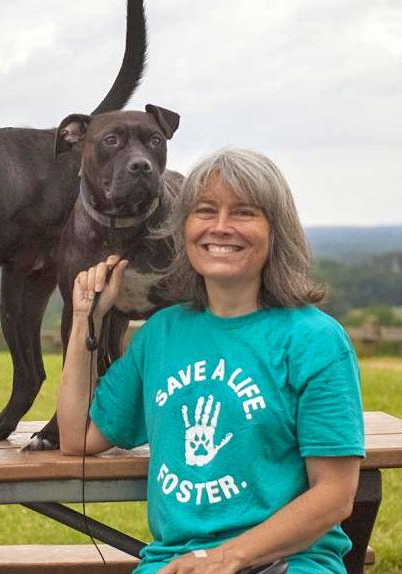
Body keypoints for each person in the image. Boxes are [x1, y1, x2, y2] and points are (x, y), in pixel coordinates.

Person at [57, 148, 364, 574]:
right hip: (176, 565)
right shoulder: (162, 334)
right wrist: (83, 321)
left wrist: (227, 557)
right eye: (205, 211)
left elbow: (335, 494)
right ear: (182, 228)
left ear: (276, 231)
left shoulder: (315, 340)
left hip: (288, 563)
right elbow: (78, 438)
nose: (220, 227)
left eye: (243, 213)